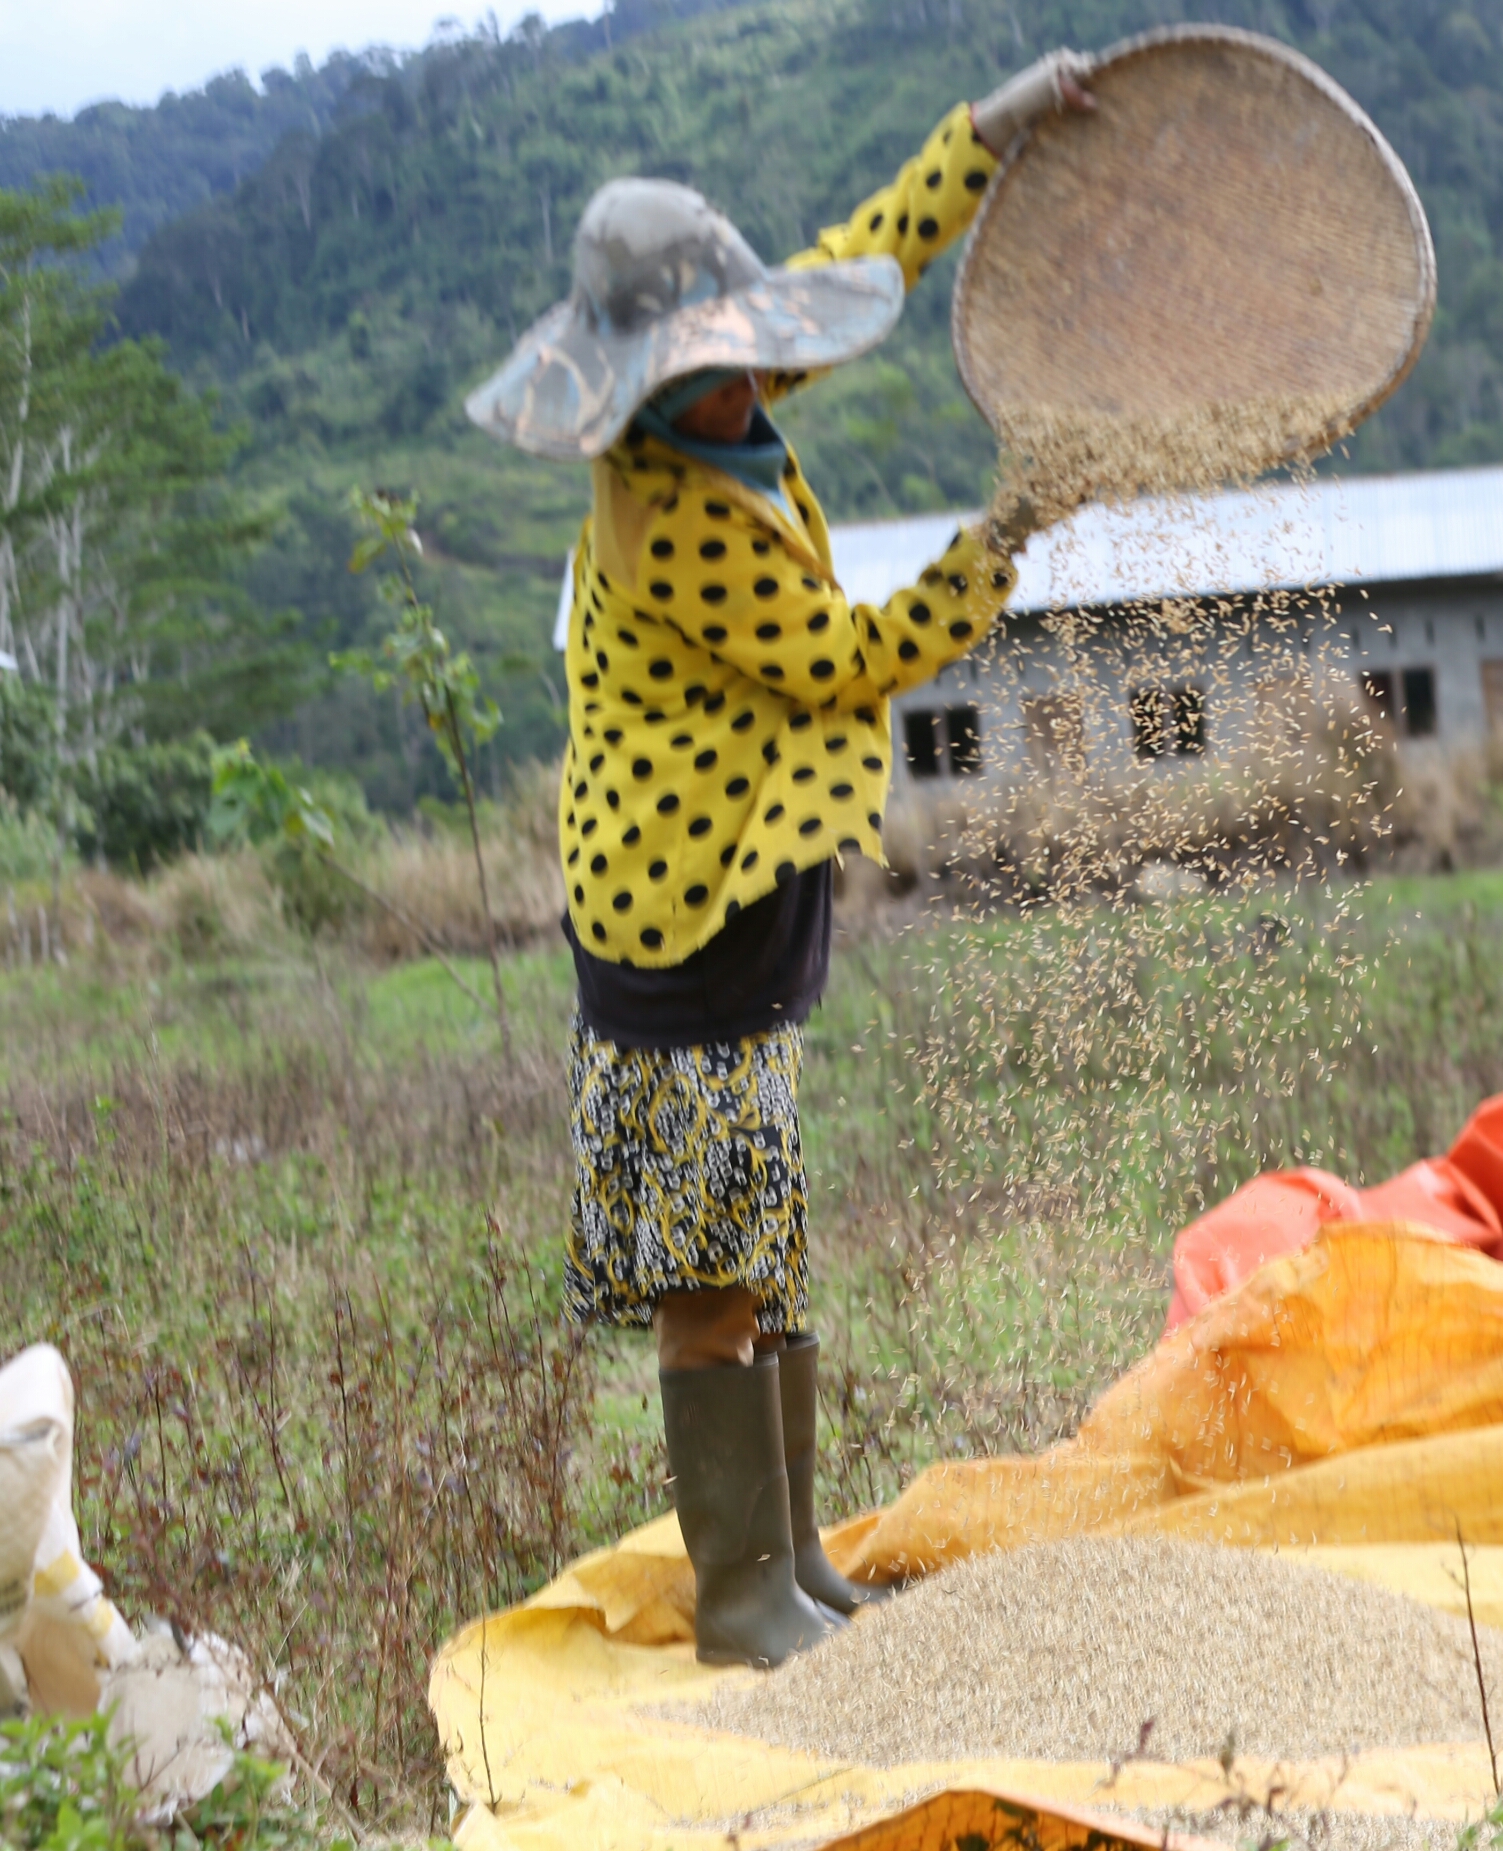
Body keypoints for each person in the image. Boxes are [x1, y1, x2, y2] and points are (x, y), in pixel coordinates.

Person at [463, 51, 1095, 1668]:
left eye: (746, 355)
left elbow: (857, 255)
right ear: (642, 388)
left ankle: (793, 1561)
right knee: (709, 1269)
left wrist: (983, 134)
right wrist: (1001, 541)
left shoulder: (721, 410)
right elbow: (846, 658)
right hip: (677, 925)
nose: (746, 382)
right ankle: (740, 1595)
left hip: (746, 901)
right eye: (709, 369)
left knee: (766, 1244)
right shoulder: (667, 514)